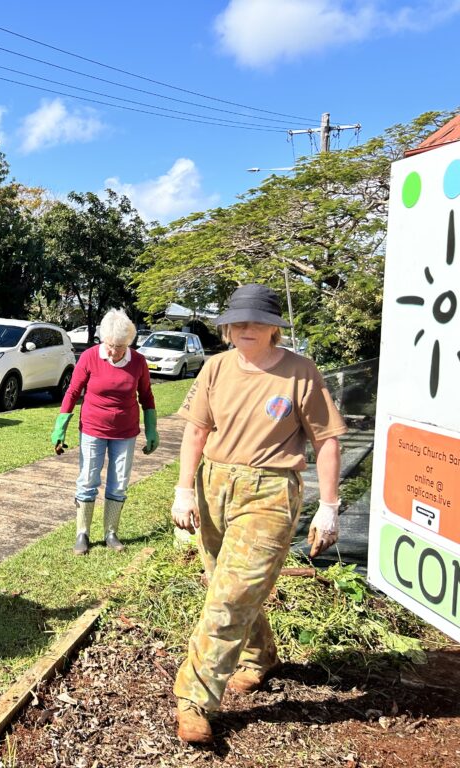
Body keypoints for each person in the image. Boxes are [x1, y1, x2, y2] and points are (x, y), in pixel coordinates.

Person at [169, 284, 346, 744]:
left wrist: (329, 507)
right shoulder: (216, 367)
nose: (247, 329)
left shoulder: (299, 372)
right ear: (227, 327)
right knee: (226, 584)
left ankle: (194, 700)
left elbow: (327, 439)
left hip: (270, 490)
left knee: (230, 595)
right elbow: (196, 431)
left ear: (273, 328)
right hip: (214, 486)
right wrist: (183, 491)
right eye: (239, 322)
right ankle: (258, 656)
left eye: (257, 322)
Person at [52, 308, 159, 555]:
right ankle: (83, 533)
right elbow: (73, 392)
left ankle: (111, 532)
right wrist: (61, 427)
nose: (113, 352)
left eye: (119, 347)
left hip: (126, 431)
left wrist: (152, 429)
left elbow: (146, 395)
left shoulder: (138, 362)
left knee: (119, 482)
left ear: (129, 343)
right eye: (110, 345)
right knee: (88, 478)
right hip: (93, 428)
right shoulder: (90, 357)